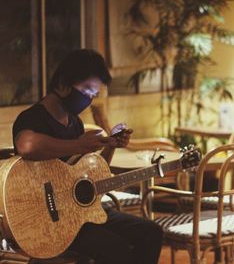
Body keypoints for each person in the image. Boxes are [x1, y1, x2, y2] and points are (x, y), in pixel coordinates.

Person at [12, 49, 163, 264]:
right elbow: (26, 145)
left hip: (79, 213)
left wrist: (109, 146)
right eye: (85, 90)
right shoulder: (32, 117)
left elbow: (88, 176)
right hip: (48, 221)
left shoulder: (75, 123)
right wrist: (79, 144)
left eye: (93, 94)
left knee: (151, 232)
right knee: (116, 249)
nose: (88, 98)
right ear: (63, 84)